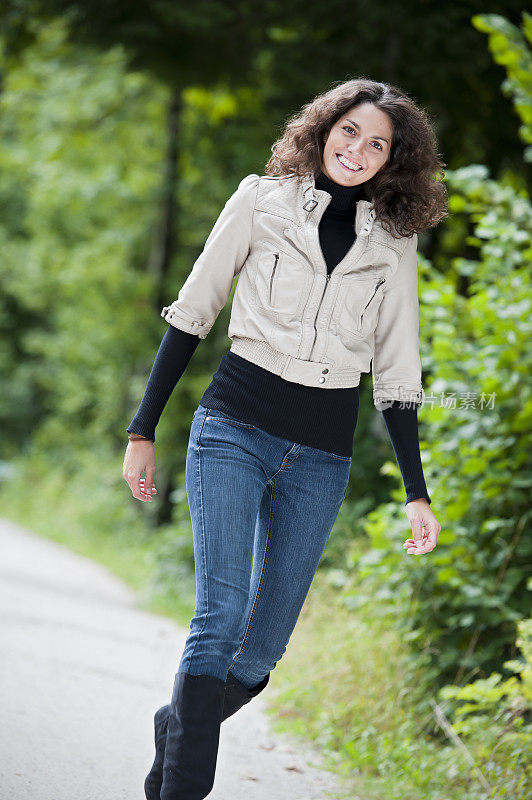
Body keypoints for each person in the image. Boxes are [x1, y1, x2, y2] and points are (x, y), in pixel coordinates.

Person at [123, 78, 446, 800]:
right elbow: (192, 313)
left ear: (395, 160)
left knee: (262, 651)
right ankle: (180, 787)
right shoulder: (259, 200)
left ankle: (178, 724)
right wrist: (142, 429)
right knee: (220, 616)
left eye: (378, 144)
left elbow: (396, 374)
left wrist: (416, 493)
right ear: (324, 126)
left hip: (321, 456)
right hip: (233, 428)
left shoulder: (394, 245)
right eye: (350, 132)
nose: (358, 151)